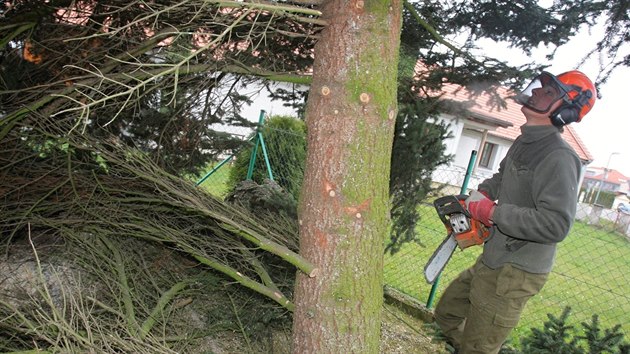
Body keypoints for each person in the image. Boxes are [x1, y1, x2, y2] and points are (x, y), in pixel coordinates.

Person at [434, 70, 597, 354]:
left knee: (478, 346)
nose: (535, 93)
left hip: (516, 271)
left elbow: (556, 224)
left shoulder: (559, 157)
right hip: (495, 257)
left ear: (566, 112)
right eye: (539, 89)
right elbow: (501, 176)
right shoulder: (525, 142)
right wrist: (481, 196)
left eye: (547, 93)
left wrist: (493, 213)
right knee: (447, 313)